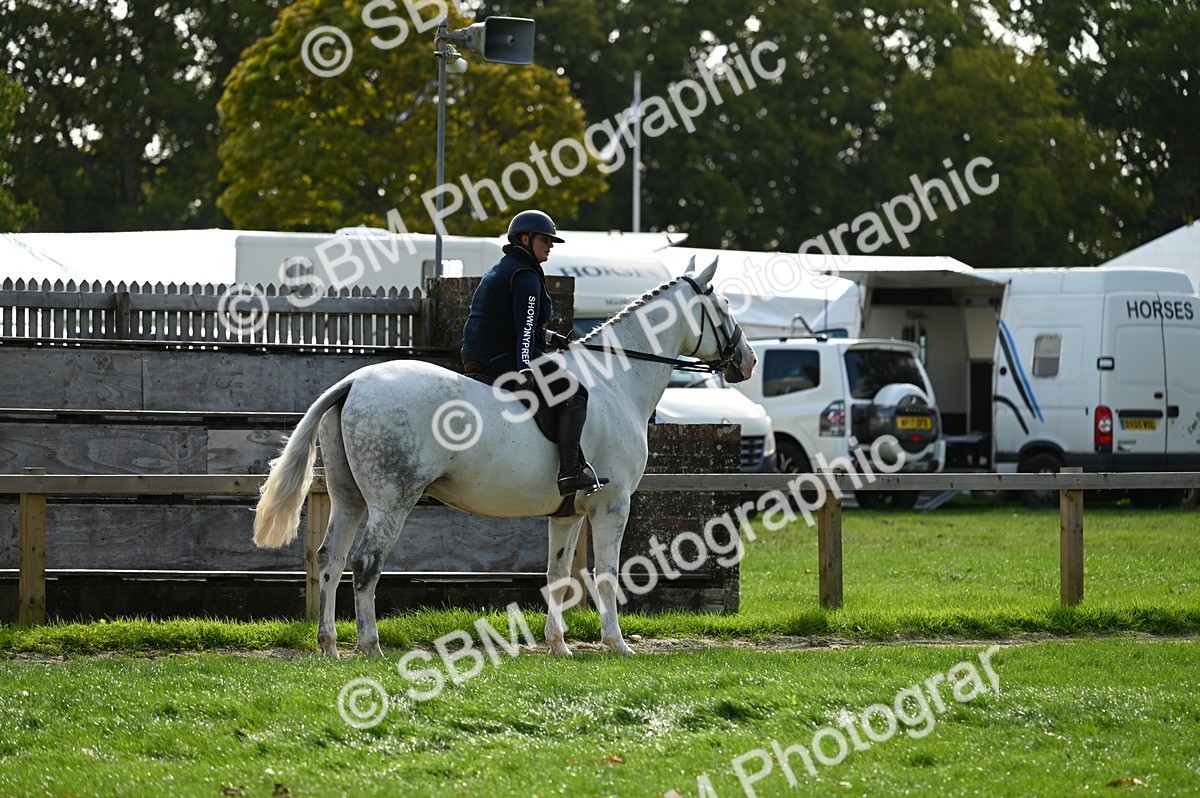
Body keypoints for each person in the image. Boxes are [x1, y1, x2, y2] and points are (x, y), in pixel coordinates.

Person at [461, 209, 609, 496]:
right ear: (525, 239)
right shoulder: (526, 276)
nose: (551, 245)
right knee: (575, 392)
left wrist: (553, 337)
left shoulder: (506, 267)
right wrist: (526, 368)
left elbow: (514, 322)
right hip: (503, 356)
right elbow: (525, 331)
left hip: (480, 353)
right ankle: (569, 473)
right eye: (546, 239)